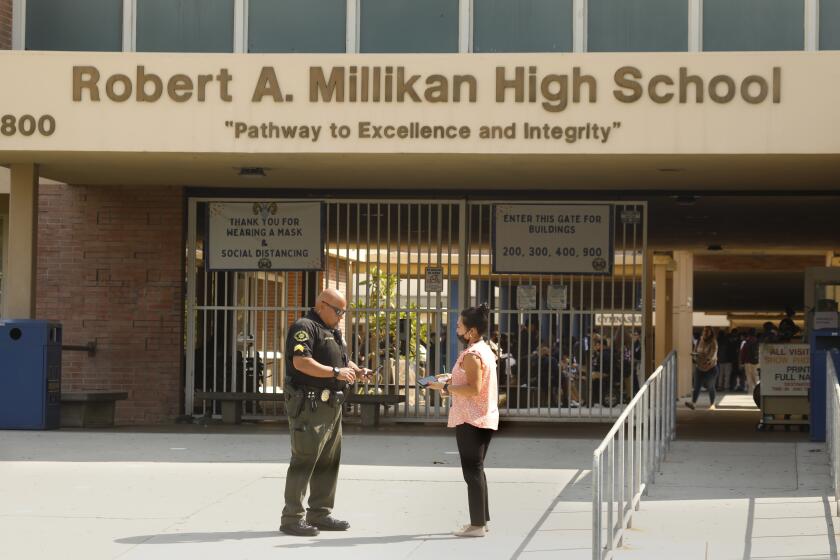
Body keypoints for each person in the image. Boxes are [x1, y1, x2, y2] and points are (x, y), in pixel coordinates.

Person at [279, 288, 373, 537]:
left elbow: (342, 361)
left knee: (328, 461)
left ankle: (320, 513)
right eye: (338, 311)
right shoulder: (304, 327)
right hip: (310, 405)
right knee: (304, 459)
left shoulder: (331, 330)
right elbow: (301, 362)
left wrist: (355, 369)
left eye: (344, 311)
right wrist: (334, 373)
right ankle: (292, 517)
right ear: (322, 304)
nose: (341, 316)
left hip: (332, 406)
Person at [428, 303, 499, 538]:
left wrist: (445, 386)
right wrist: (450, 379)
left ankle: (477, 525)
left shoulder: (473, 354)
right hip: (479, 418)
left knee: (472, 472)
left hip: (472, 419)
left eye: (459, 326)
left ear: (472, 331)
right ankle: (482, 521)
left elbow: (474, 388)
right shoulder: (483, 349)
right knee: (477, 470)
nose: (456, 329)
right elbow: (469, 381)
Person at [685, 326, 719, 410]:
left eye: (707, 331)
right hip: (699, 367)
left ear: (711, 333)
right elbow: (696, 351)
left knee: (710, 386)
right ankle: (693, 403)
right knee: (696, 386)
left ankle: (712, 404)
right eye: (704, 331)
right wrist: (694, 356)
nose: (705, 333)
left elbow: (713, 354)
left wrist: (708, 360)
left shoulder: (713, 342)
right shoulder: (700, 340)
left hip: (710, 368)